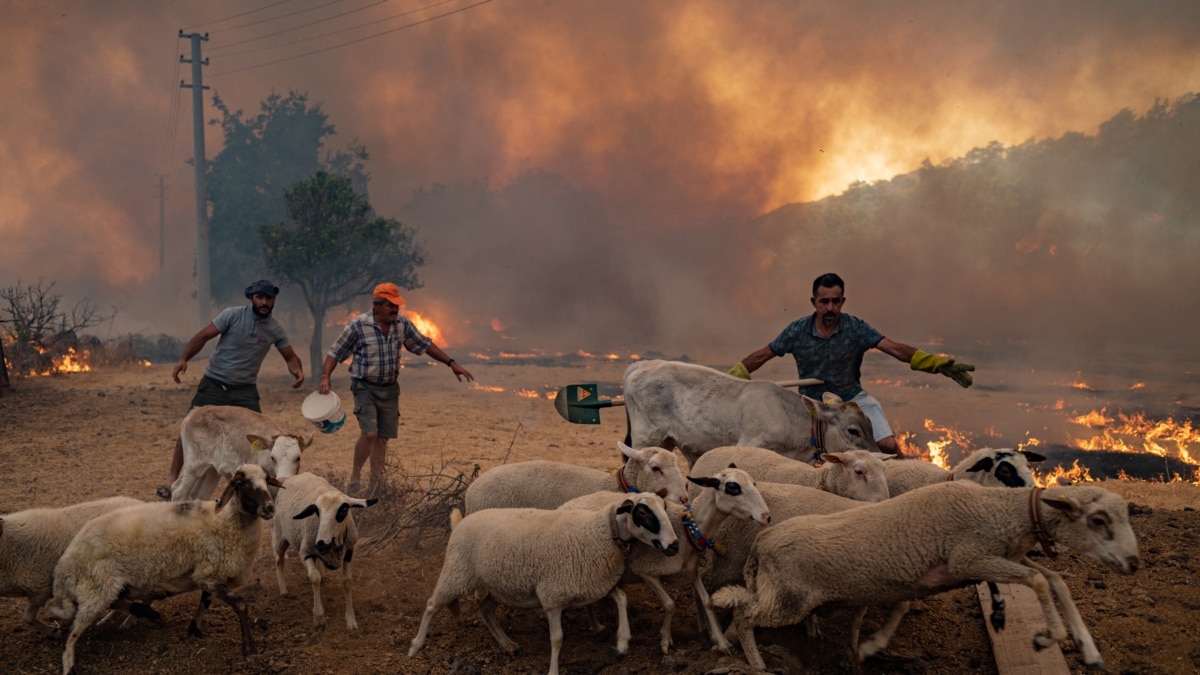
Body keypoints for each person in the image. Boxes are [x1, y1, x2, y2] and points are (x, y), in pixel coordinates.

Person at [727, 272, 974, 456]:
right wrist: (733, 378)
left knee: (887, 447)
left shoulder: (856, 328)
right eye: (824, 302)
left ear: (843, 301)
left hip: (852, 401)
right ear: (813, 302)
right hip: (814, 409)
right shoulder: (797, 331)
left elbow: (894, 348)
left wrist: (935, 364)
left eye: (836, 301)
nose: (830, 308)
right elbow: (764, 354)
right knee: (797, 456)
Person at [318, 282, 474, 493]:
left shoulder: (402, 324)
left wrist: (451, 363)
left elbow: (425, 344)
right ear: (376, 305)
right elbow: (335, 352)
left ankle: (375, 486)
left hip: (390, 389)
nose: (395, 309)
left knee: (382, 438)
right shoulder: (358, 325)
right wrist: (325, 376)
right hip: (364, 387)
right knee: (370, 434)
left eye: (396, 305)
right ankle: (355, 476)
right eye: (390, 305)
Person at [157, 279, 305, 499]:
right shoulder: (232, 315)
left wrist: (297, 371)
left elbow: (290, 356)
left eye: (269, 298)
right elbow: (203, 336)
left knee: (258, 440)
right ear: (251, 298)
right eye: (260, 297)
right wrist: (184, 358)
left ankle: (250, 488)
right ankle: (171, 479)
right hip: (215, 382)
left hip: (245, 390)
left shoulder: (275, 329)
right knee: (192, 424)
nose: (264, 302)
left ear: (274, 300)